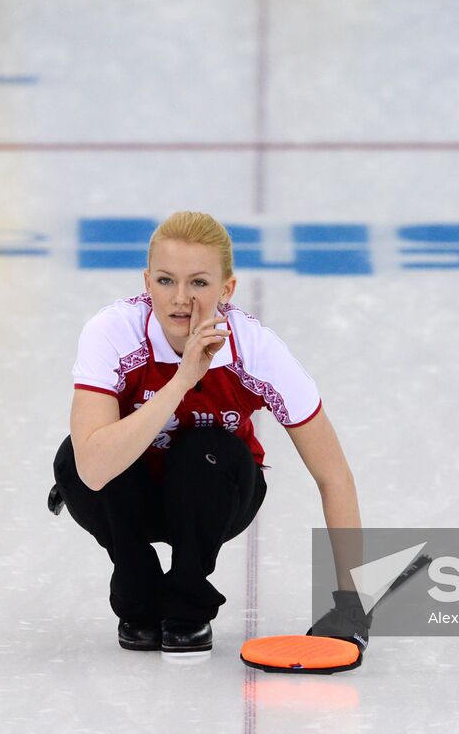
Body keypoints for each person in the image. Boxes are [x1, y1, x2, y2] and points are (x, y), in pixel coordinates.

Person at [49, 210, 372, 655]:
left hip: (214, 492)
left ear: (227, 289)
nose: (181, 299)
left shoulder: (256, 349)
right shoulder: (112, 332)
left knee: (206, 449)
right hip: (127, 491)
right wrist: (182, 379)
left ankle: (188, 606)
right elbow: (92, 468)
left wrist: (351, 602)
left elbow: (333, 475)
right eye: (165, 281)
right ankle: (137, 595)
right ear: (146, 283)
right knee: (75, 455)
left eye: (199, 283)